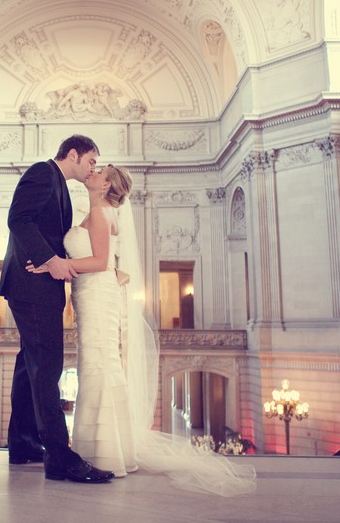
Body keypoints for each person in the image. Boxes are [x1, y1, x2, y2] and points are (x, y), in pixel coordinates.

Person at [29, 164, 257, 495]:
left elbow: (100, 262)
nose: (91, 173)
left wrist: (53, 265)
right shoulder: (97, 211)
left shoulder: (102, 213)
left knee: (98, 365)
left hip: (96, 292)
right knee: (97, 364)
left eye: (98, 171)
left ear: (105, 184)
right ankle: (105, 449)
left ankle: (102, 452)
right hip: (88, 294)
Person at [0, 134, 114, 484]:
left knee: (29, 365)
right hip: (32, 287)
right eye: (91, 161)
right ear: (74, 154)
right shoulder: (42, 173)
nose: (94, 168)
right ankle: (59, 458)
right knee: (47, 367)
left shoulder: (59, 185)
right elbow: (18, 219)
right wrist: (49, 260)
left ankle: (23, 444)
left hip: (34, 285)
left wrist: (52, 260)